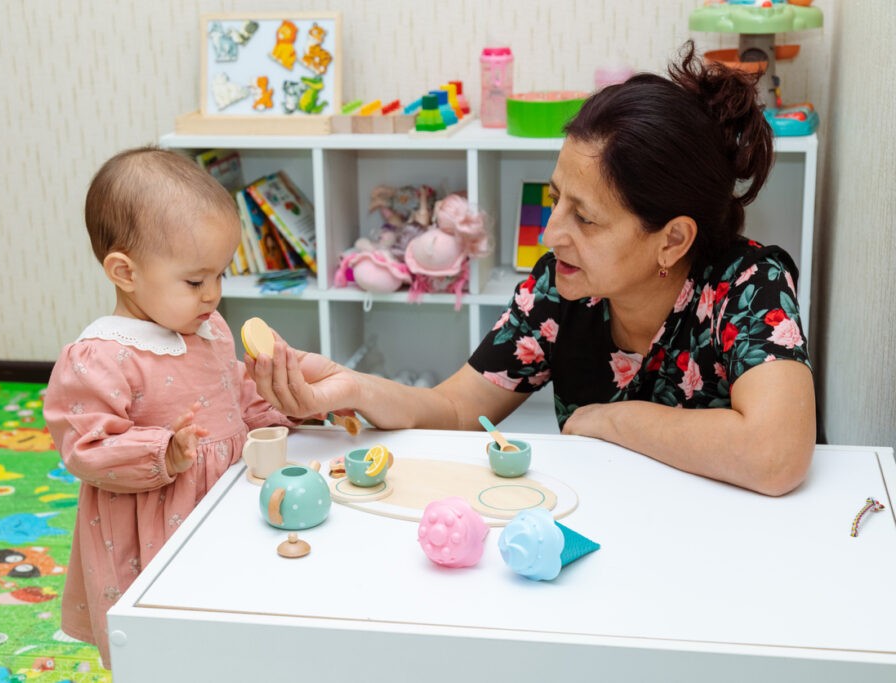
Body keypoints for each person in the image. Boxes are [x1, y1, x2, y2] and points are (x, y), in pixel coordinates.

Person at [246, 43, 815, 497]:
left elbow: (776, 453)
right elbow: (455, 411)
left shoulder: (748, 285)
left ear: (673, 239)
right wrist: (351, 387)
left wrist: (609, 422)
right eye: (555, 199)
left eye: (585, 219)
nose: (550, 235)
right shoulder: (561, 288)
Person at [43, 147, 294, 666]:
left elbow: (237, 393)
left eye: (221, 276)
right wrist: (164, 451)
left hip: (224, 498)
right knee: (164, 640)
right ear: (125, 272)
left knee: (229, 622)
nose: (214, 296)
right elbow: (86, 447)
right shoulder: (102, 356)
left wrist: (282, 416)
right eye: (196, 281)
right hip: (152, 522)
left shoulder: (210, 329)